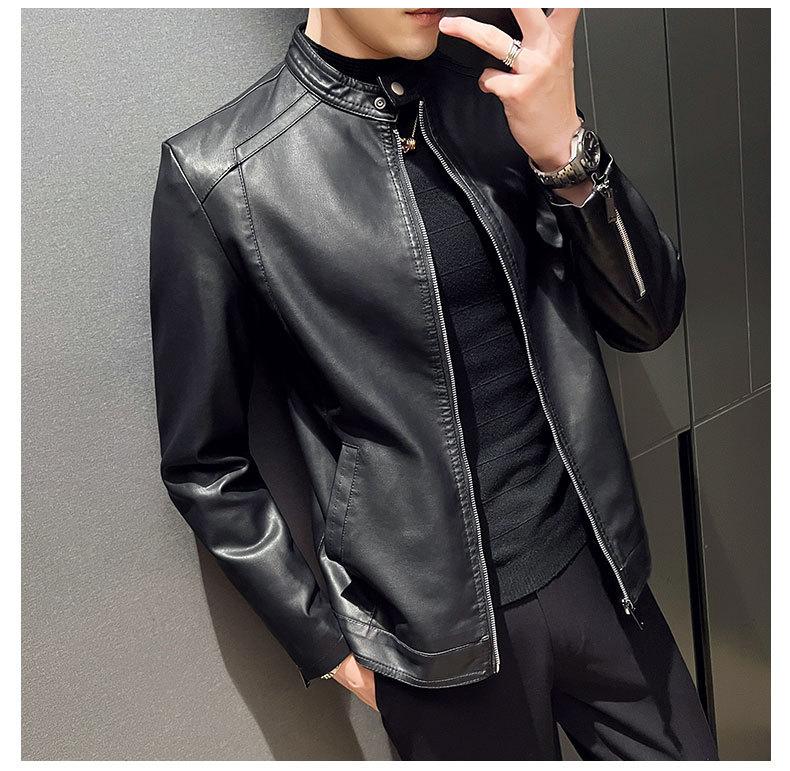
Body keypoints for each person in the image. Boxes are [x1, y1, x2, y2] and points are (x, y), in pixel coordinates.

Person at [148, 7, 719, 760]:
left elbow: (648, 319)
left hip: (599, 576)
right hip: (438, 647)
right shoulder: (223, 174)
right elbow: (204, 464)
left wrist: (565, 148)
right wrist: (327, 644)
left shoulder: (497, 94)